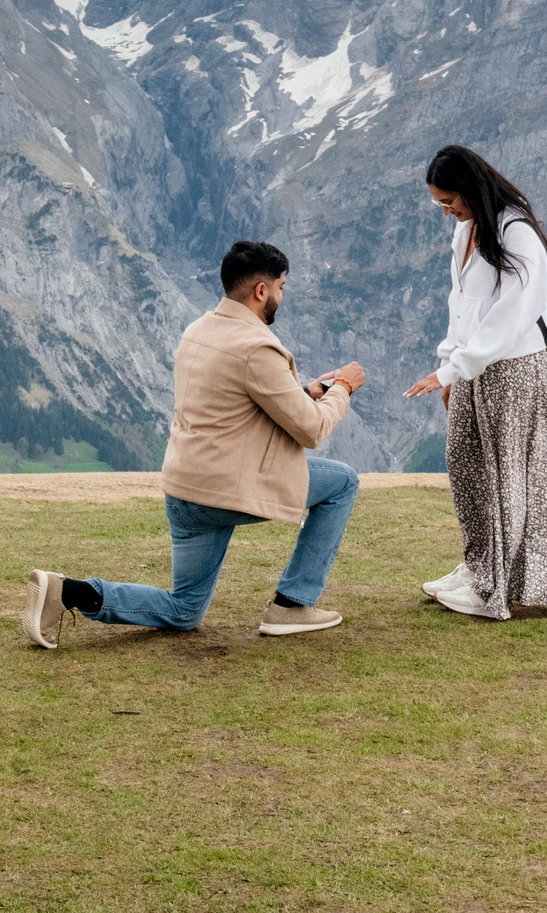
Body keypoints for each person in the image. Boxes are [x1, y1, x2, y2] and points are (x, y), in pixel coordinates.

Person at [24, 240, 367, 647]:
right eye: (281, 287)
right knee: (342, 482)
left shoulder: (199, 329)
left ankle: (68, 592)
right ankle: (292, 604)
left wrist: (304, 392)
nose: (281, 295)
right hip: (224, 492)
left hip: (185, 491)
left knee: (185, 610)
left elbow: (234, 404)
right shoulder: (257, 347)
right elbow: (311, 430)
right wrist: (342, 388)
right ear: (262, 291)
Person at [405, 144, 547, 620]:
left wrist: (451, 370)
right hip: (474, 365)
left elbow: (508, 318)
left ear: (471, 190)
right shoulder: (467, 231)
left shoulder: (516, 233)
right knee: (465, 462)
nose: (447, 212)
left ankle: (494, 588)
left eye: (451, 202)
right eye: (441, 204)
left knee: (504, 473)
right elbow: (461, 304)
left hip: (512, 367)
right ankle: (479, 564)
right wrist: (451, 365)